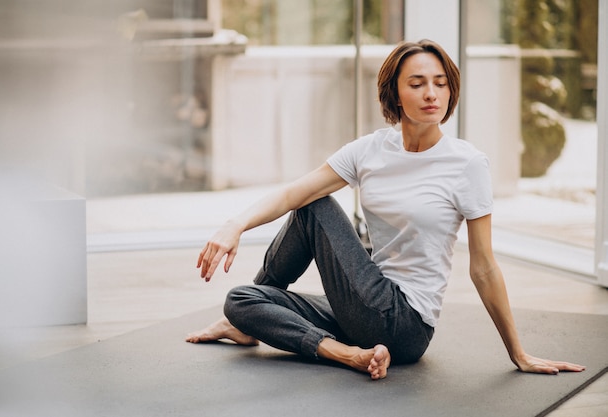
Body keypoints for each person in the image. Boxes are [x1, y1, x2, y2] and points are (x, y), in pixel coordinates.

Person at [186, 39, 586, 380]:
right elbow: (293, 192)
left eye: (440, 84)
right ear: (395, 92)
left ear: (450, 92)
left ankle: (344, 354)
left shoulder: (466, 164)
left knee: (316, 208)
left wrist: (518, 352)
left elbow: (483, 266)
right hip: (365, 302)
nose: (432, 94)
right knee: (240, 298)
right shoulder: (371, 150)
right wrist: (233, 225)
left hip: (405, 325)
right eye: (418, 83)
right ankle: (275, 331)